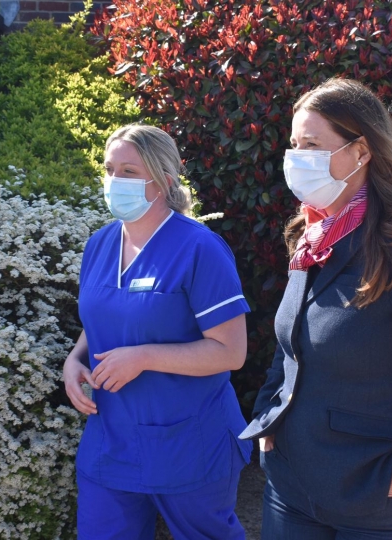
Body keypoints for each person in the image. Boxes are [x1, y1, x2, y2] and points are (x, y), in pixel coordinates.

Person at [239, 78, 392, 539]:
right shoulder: (312, 233)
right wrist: (269, 416)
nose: (296, 157)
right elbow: (291, 339)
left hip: (381, 499)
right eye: (294, 144)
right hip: (293, 485)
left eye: (313, 144)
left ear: (362, 151)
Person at [63, 124, 253, 540]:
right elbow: (106, 314)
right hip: (111, 441)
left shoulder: (200, 248)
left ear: (164, 181)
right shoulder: (99, 244)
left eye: (129, 171)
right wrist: (74, 360)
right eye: (109, 169)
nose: (114, 181)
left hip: (188, 442)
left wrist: (144, 357)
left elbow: (230, 351)